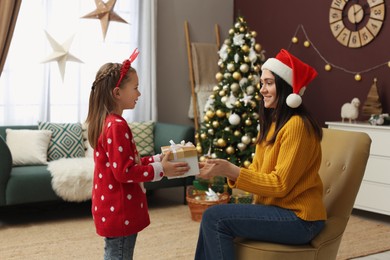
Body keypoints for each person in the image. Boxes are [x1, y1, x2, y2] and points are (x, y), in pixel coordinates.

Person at [195, 49, 327, 260]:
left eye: (269, 83)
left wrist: (233, 170)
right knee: (213, 217)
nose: (262, 90)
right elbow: (258, 171)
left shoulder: (296, 126)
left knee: (215, 218)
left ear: (285, 88)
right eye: (262, 83)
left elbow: (280, 185)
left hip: (300, 219)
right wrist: (226, 169)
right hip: (278, 211)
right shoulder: (272, 124)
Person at [86, 49, 190, 260]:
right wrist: (162, 170)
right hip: (120, 209)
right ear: (117, 93)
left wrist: (157, 159)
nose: (139, 94)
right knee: (120, 255)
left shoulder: (107, 122)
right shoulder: (116, 126)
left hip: (112, 208)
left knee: (114, 253)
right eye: (135, 88)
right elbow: (125, 172)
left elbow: (125, 163)